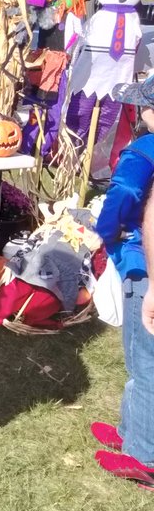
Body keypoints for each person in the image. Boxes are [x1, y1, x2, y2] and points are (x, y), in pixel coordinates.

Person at [92, 76, 154, 484]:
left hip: (143, 264)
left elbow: (127, 188)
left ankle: (143, 454)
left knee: (143, 359)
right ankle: (132, 429)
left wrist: (107, 229)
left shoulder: (145, 149)